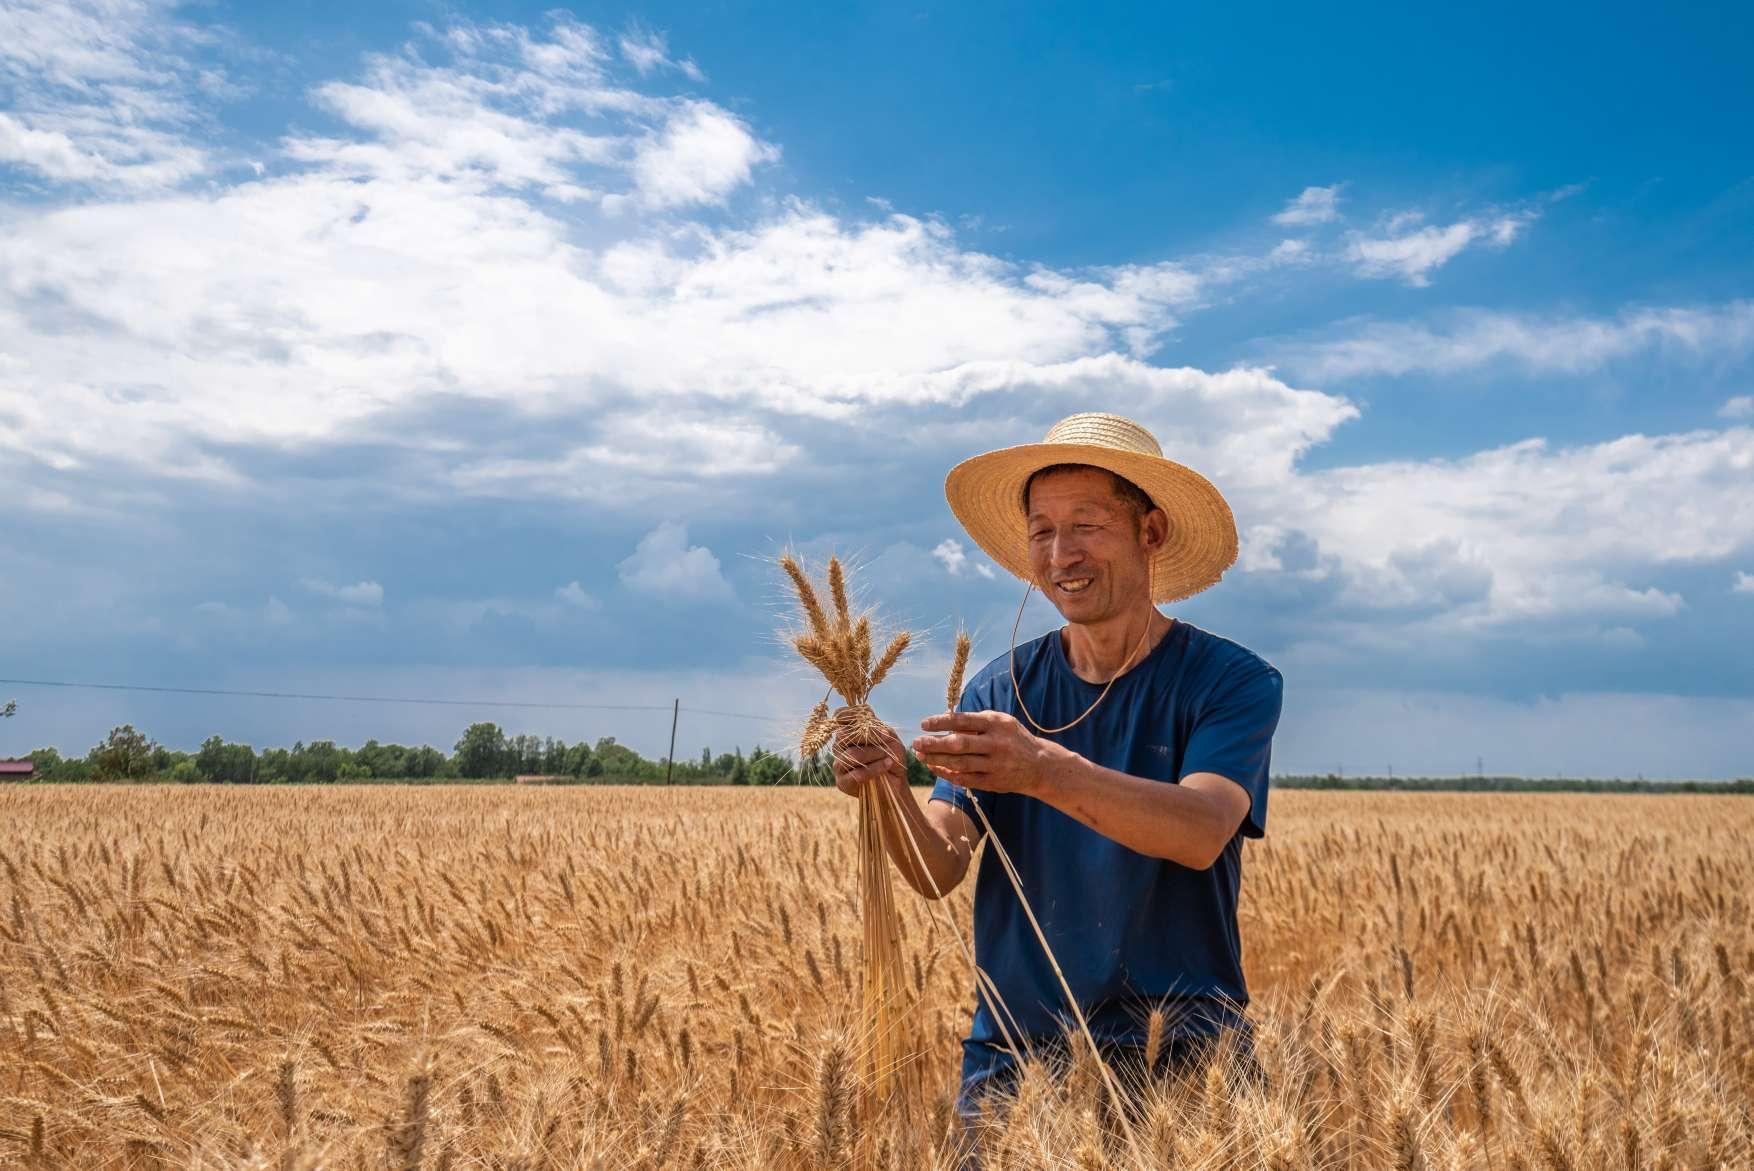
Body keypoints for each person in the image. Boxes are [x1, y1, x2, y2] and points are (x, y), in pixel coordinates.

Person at [831, 411, 1283, 1149]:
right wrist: (888, 792)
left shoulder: (1230, 682)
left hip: (1183, 1060)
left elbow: (1201, 829)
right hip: (1017, 1060)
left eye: (1086, 525)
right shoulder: (1000, 688)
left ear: (1151, 531)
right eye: (1041, 531)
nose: (1060, 553)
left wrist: (1040, 769)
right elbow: (938, 865)